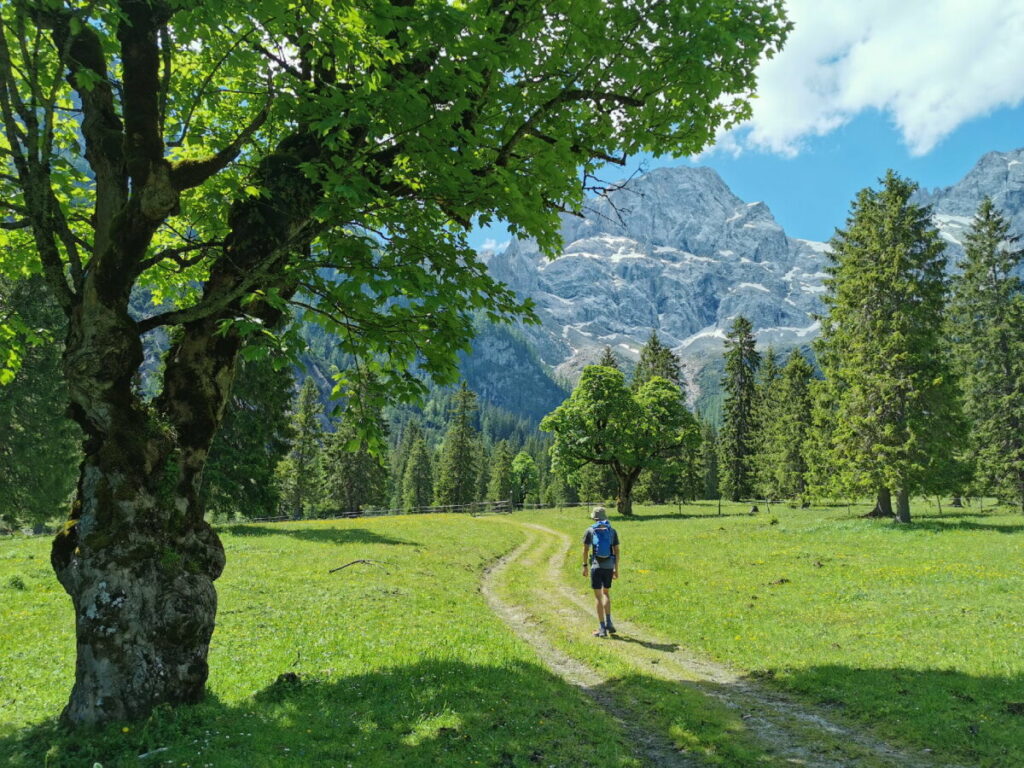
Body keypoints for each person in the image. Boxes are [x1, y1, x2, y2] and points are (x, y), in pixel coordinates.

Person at [582, 506, 619, 637]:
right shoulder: (612, 531)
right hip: (609, 566)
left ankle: (602, 628)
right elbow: (616, 551)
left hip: (596, 566)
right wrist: (616, 568)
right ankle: (609, 622)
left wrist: (585, 565)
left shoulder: (590, 530)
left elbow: (585, 550)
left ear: (594, 518)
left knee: (598, 596)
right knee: (606, 594)